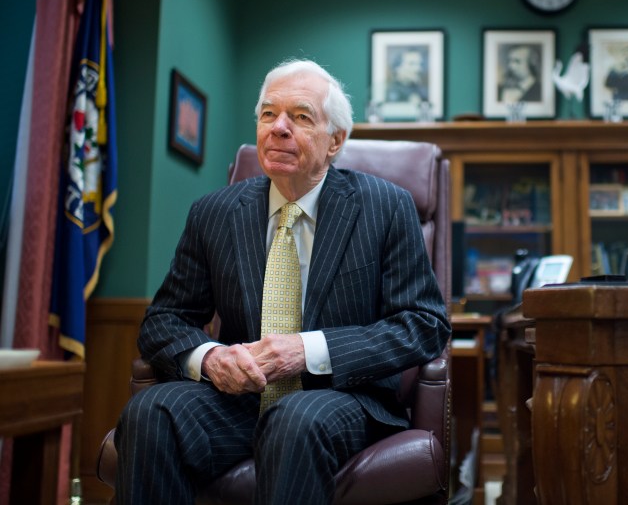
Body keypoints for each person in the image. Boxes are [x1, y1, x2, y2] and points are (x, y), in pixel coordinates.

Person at [114, 59, 451, 504]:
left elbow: (424, 324)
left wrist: (307, 351)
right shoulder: (213, 212)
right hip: (238, 399)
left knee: (294, 419)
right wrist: (210, 357)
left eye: (301, 116)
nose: (279, 128)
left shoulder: (385, 206)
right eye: (268, 114)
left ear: (336, 141)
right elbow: (163, 321)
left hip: (342, 399)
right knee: (150, 412)